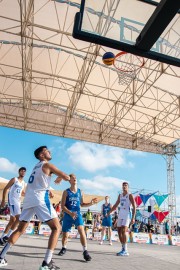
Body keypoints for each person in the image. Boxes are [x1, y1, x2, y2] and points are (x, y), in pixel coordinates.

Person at [0, 146, 70, 270]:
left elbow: (41, 181)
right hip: (40, 199)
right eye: (46, 151)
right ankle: (46, 263)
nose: (50, 151)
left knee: (20, 230)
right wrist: (61, 176)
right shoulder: (48, 165)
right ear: (41, 155)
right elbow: (67, 177)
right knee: (56, 228)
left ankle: (1, 257)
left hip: (28, 200)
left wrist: (56, 178)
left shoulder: (35, 167)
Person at [58, 173, 97, 261]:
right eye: (73, 178)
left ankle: (85, 251)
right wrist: (70, 213)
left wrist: (91, 203)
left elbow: (82, 204)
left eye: (76, 177)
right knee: (65, 235)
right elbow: (62, 206)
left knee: (81, 230)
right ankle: (64, 248)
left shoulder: (80, 191)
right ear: (69, 180)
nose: (75, 178)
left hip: (77, 214)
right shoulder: (66, 192)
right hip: (68, 214)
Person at [107, 182, 136, 256]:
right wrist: (109, 212)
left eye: (125, 186)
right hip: (121, 214)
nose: (124, 187)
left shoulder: (130, 195)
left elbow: (134, 207)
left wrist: (133, 217)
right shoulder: (120, 195)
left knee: (123, 230)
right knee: (119, 231)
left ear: (128, 187)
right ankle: (123, 248)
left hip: (127, 214)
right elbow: (116, 205)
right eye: (123, 186)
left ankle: (126, 250)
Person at [0, 167, 26, 245]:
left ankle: (2, 238)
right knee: (19, 218)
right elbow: (5, 189)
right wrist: (3, 200)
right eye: (22, 171)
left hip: (18, 202)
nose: (23, 172)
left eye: (24, 171)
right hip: (12, 200)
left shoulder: (23, 183)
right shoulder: (14, 179)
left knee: (12, 221)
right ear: (19, 172)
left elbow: (22, 193)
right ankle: (7, 236)